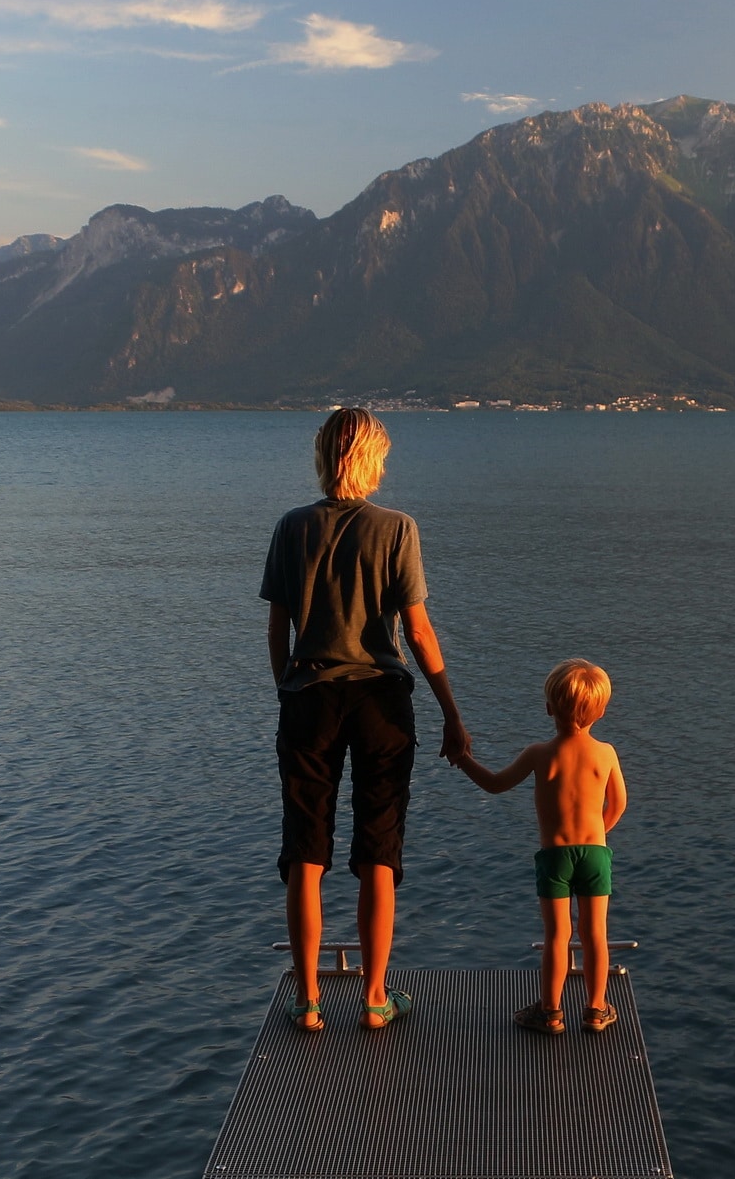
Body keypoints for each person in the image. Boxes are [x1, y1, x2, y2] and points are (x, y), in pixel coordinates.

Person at [261, 409, 470, 1032]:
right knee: (379, 847)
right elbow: (419, 630)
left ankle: (307, 999)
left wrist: (287, 688)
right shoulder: (396, 528)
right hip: (382, 700)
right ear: (373, 458)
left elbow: (279, 628)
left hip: (310, 696)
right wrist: (451, 711)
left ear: (324, 456)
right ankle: (376, 999)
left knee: (306, 848)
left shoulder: (291, 527)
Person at [451, 659, 627, 1035]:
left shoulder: (538, 753)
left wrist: (463, 760)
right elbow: (619, 803)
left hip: (554, 857)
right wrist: (600, 834)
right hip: (595, 853)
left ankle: (550, 1012)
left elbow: (496, 784)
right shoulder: (607, 753)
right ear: (602, 710)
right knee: (595, 933)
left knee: (557, 935)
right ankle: (596, 1009)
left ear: (548, 708)